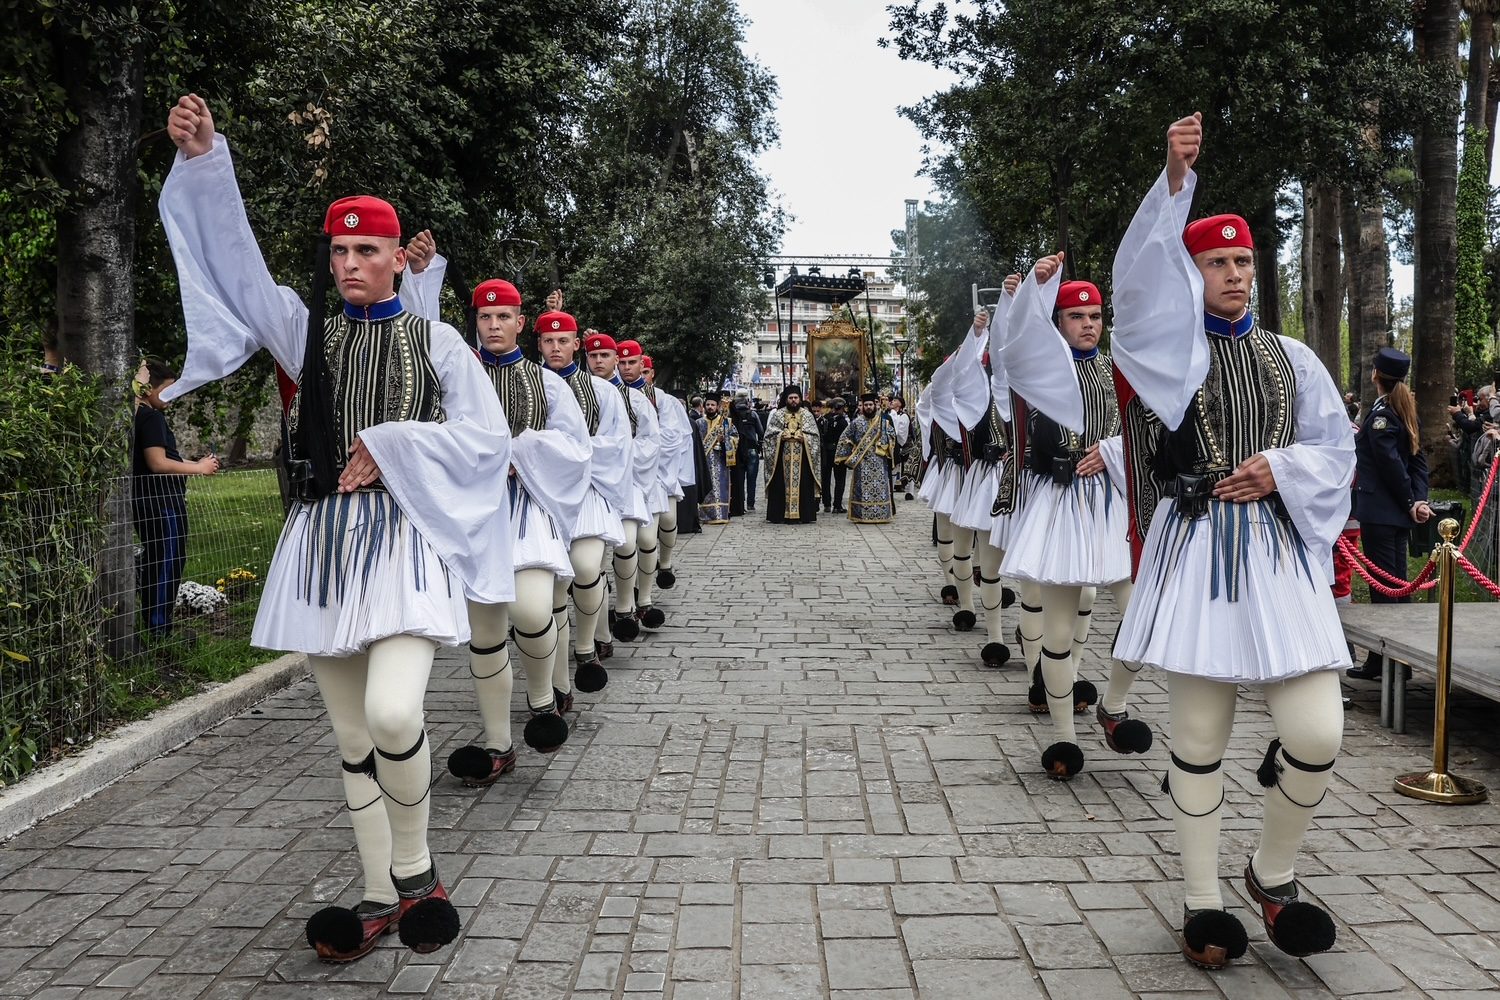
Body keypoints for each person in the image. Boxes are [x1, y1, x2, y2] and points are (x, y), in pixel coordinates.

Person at [159, 94, 507, 961]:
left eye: (366, 249)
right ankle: (373, 891)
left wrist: (392, 446)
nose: (349, 262)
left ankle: (419, 873)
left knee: (394, 714)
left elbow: (486, 441)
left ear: (397, 259)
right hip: (322, 551)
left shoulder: (438, 344)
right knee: (352, 737)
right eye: (339, 249)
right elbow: (238, 268)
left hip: (405, 548)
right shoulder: (304, 333)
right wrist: (208, 162)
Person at [1111, 112, 1353, 969]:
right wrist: (1176, 184)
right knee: (1203, 741)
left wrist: (1280, 469)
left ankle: (1271, 872)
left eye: (1244, 261)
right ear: (1192, 272)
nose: (1236, 275)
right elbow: (1132, 301)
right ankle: (1205, 901)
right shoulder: (1168, 358)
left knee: (1317, 733)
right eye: (1217, 262)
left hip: (1278, 558)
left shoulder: (1295, 360)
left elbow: (1336, 451)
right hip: (1197, 557)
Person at [398, 256, 593, 774]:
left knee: (530, 611)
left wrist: (521, 452)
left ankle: (541, 699)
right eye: (484, 318)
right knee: (484, 634)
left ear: (519, 322)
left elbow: (575, 447)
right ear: (475, 323)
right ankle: (496, 743)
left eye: (503, 317)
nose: (493, 326)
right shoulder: (458, 371)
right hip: (475, 516)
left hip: (526, 508)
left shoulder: (546, 383)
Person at [998, 268, 1150, 780]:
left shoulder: (1118, 371)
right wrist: (1034, 291)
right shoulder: (1041, 370)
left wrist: (1110, 452)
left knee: (1142, 616)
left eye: (1094, 316)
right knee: (1059, 633)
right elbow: (1013, 347)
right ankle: (1064, 736)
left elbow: (1151, 434)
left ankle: (1112, 703)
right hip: (1061, 503)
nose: (1089, 324)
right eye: (1076, 316)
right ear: (1057, 322)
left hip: (1112, 505)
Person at [533, 308, 632, 702]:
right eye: (548, 341)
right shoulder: (528, 384)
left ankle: (587, 643)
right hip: (542, 494)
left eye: (563, 341)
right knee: (553, 590)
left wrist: (573, 456)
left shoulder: (604, 392)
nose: (555, 348)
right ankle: (556, 681)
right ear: (538, 343)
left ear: (577, 344)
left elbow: (617, 444)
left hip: (588, 492)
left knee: (587, 567)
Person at [1346, 348, 1432, 679]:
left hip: (1382, 511)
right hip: (1398, 511)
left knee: (1385, 587)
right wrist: (1418, 500)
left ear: (1375, 375)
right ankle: (1396, 661)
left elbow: (1392, 465)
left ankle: (1387, 660)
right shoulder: (1405, 410)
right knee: (1398, 585)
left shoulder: (1382, 414)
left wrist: (1412, 500)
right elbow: (1418, 461)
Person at [584, 334, 663, 645]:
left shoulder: (634, 399)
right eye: (594, 356)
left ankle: (626, 606)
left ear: (615, 359)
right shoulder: (572, 394)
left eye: (606, 355)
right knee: (590, 563)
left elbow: (650, 442)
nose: (600, 361)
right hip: (585, 484)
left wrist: (618, 457)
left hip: (625, 482)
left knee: (629, 542)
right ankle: (600, 632)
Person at [132, 360, 220, 637]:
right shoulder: (151, 418)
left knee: (162, 558)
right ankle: (159, 628)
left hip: (149, 500)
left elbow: (164, 457)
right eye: (168, 389)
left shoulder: (141, 416)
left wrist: (194, 463)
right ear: (147, 389)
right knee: (166, 560)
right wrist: (198, 468)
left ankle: (158, 622)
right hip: (162, 503)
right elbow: (157, 463)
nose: (173, 395)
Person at [619, 345, 690, 617]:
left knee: (651, 536)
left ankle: (647, 593)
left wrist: (643, 454)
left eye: (634, 363)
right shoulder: (610, 393)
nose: (627, 368)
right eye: (622, 362)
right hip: (620, 478)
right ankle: (626, 601)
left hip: (656, 474)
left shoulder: (662, 400)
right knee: (624, 544)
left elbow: (672, 439)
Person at [835, 392, 897, 522]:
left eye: (870, 405)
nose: (868, 407)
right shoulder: (856, 423)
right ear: (862, 406)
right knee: (861, 489)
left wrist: (885, 444)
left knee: (880, 488)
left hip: (879, 461)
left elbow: (892, 436)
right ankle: (860, 515)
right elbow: (845, 437)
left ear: (875, 405)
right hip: (862, 462)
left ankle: (881, 514)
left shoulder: (883, 422)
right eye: (866, 405)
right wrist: (844, 455)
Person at [764, 385, 821, 523]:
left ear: (800, 399)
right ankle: (779, 515)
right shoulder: (778, 414)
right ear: (786, 399)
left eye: (796, 398)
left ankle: (804, 515)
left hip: (803, 460)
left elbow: (815, 437)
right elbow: (768, 436)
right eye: (791, 398)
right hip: (781, 459)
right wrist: (780, 437)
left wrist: (805, 438)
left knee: (804, 485)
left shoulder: (807, 415)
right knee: (780, 486)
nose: (793, 400)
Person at [699, 392, 739, 524]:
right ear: (704, 406)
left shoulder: (726, 422)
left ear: (718, 407)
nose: (710, 407)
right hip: (703, 462)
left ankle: (721, 514)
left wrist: (724, 440)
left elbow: (735, 438)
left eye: (713, 405)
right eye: (708, 405)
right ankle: (704, 515)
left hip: (720, 460)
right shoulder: (699, 423)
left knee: (720, 487)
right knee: (706, 487)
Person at [729, 391, 760, 515]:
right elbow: (761, 431)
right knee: (752, 479)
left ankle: (740, 501)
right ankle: (750, 503)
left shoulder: (731, 415)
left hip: (737, 449)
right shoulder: (752, 414)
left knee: (738, 478)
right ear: (747, 401)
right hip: (751, 448)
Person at [820, 397, 850, 513]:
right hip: (839, 453)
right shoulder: (843, 421)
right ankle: (837, 505)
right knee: (840, 479)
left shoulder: (825, 419)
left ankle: (826, 503)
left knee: (826, 479)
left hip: (826, 452)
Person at [887, 395, 914, 498]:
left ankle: (910, 492)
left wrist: (898, 442)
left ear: (900, 404)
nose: (892, 402)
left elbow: (901, 432)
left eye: (895, 400)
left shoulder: (904, 416)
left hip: (905, 444)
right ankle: (891, 491)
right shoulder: (891, 414)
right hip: (895, 444)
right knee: (894, 467)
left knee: (908, 467)